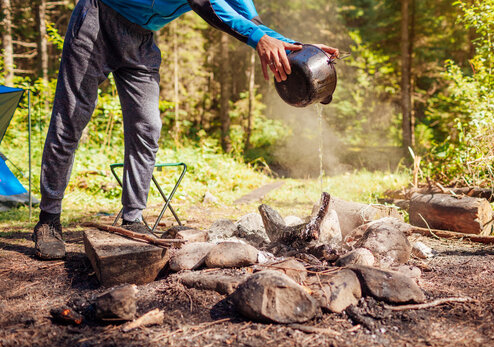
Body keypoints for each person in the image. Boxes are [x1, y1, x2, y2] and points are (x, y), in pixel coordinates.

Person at [33, 0, 339, 260]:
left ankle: (133, 218)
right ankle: (48, 219)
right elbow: (207, 4)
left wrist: (294, 47)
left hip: (141, 38)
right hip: (99, 19)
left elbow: (246, 16)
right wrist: (259, 38)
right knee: (70, 118)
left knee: (147, 126)